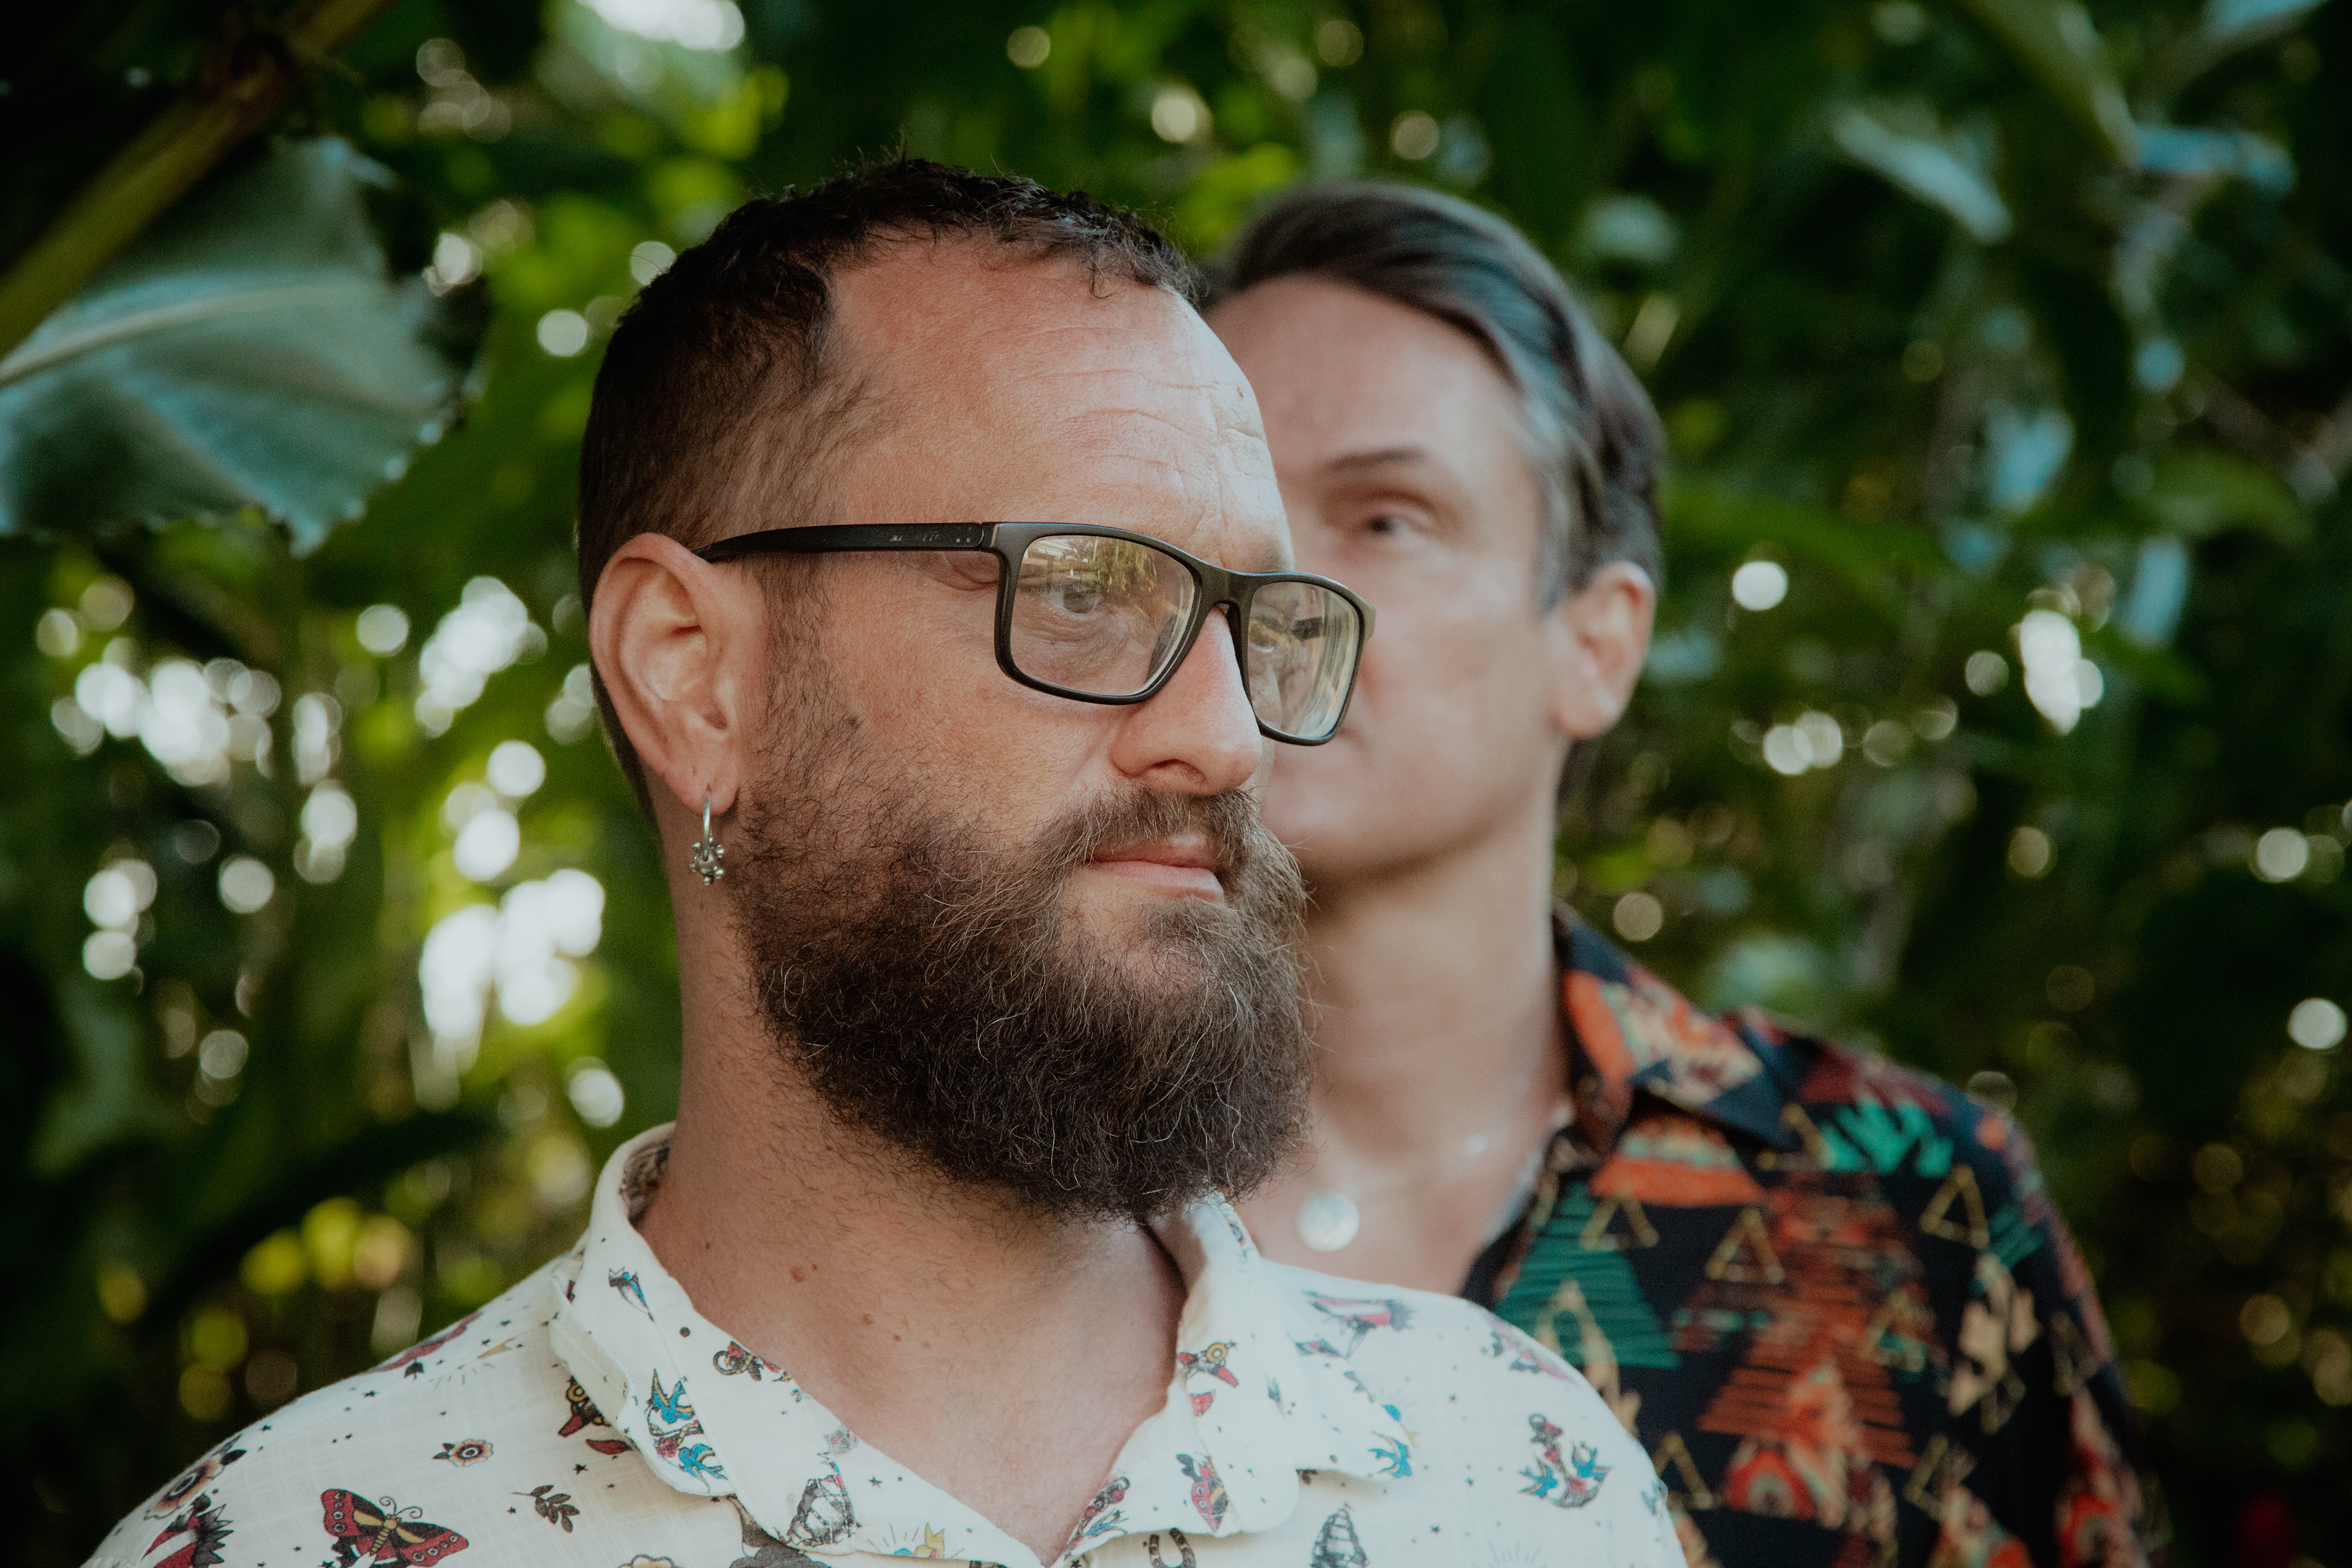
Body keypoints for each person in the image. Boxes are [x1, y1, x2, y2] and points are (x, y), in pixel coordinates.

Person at [86, 162, 1680, 1568]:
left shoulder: (1521, 1476)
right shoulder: (287, 1538)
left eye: (1255, 622)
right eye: (1082, 591)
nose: (1230, 738)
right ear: (695, 675)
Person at [1205, 182, 2160, 1568]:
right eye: (1226, 519)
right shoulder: (1000, 1176)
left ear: (1596, 644)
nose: (1277, 595)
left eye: (1388, 519)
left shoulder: (1909, 1210)